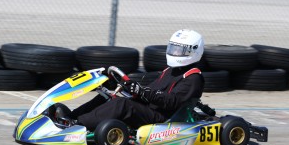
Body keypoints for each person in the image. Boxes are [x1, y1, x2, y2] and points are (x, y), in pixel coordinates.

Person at [64, 29, 205, 131]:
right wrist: (133, 89)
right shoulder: (171, 70)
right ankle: (69, 117)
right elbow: (153, 90)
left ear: (194, 51)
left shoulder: (193, 78)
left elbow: (171, 101)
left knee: (123, 104)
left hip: (162, 118)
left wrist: (143, 92)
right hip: (150, 109)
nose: (175, 53)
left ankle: (78, 125)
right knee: (106, 96)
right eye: (174, 49)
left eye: (180, 50)